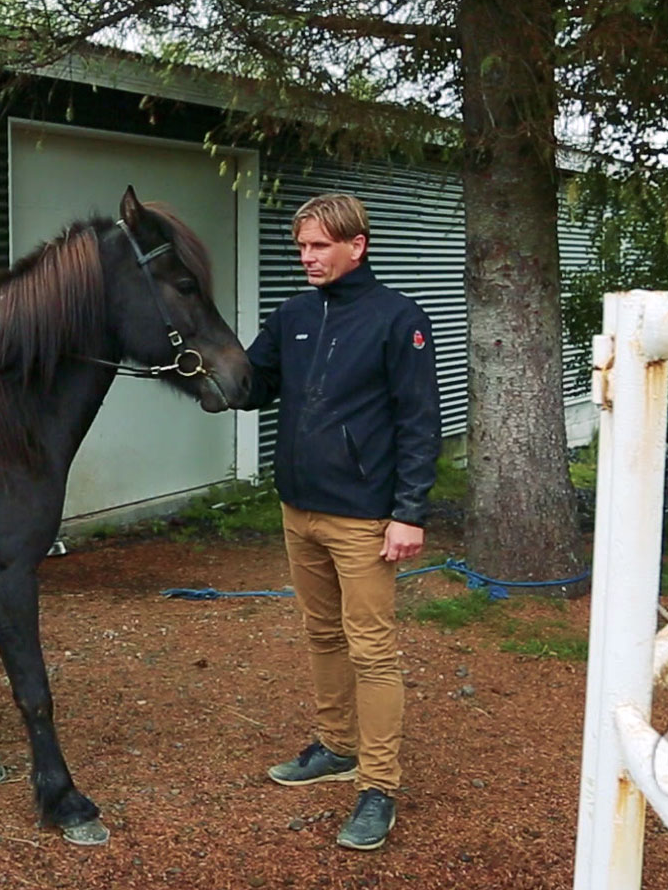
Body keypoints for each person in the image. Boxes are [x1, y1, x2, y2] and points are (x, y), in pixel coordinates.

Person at [240, 193, 440, 851]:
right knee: (322, 635)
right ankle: (335, 746)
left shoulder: (397, 319)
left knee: (372, 649)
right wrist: (191, 360)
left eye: (319, 246)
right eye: (301, 247)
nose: (307, 258)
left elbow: (418, 422)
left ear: (358, 245)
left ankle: (377, 785)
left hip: (363, 519)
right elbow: (249, 382)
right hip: (298, 508)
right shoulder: (294, 314)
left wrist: (407, 513)